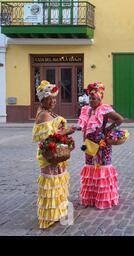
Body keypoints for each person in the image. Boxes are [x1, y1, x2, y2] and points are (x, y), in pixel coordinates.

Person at [32, 80, 76, 229]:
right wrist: (66, 131)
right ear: (43, 99)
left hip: (56, 153)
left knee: (58, 180)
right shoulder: (44, 115)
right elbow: (48, 139)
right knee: (51, 182)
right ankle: (49, 216)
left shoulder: (47, 112)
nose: (53, 101)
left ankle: (58, 211)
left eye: (54, 98)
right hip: (50, 154)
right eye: (49, 98)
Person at [77, 82, 124, 209]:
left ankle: (103, 198)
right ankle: (92, 197)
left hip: (102, 144)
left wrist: (108, 129)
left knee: (102, 167)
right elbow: (85, 128)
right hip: (89, 145)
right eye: (90, 98)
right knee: (91, 167)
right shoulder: (86, 110)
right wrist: (84, 142)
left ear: (100, 99)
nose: (91, 101)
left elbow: (120, 119)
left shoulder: (104, 109)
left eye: (94, 98)